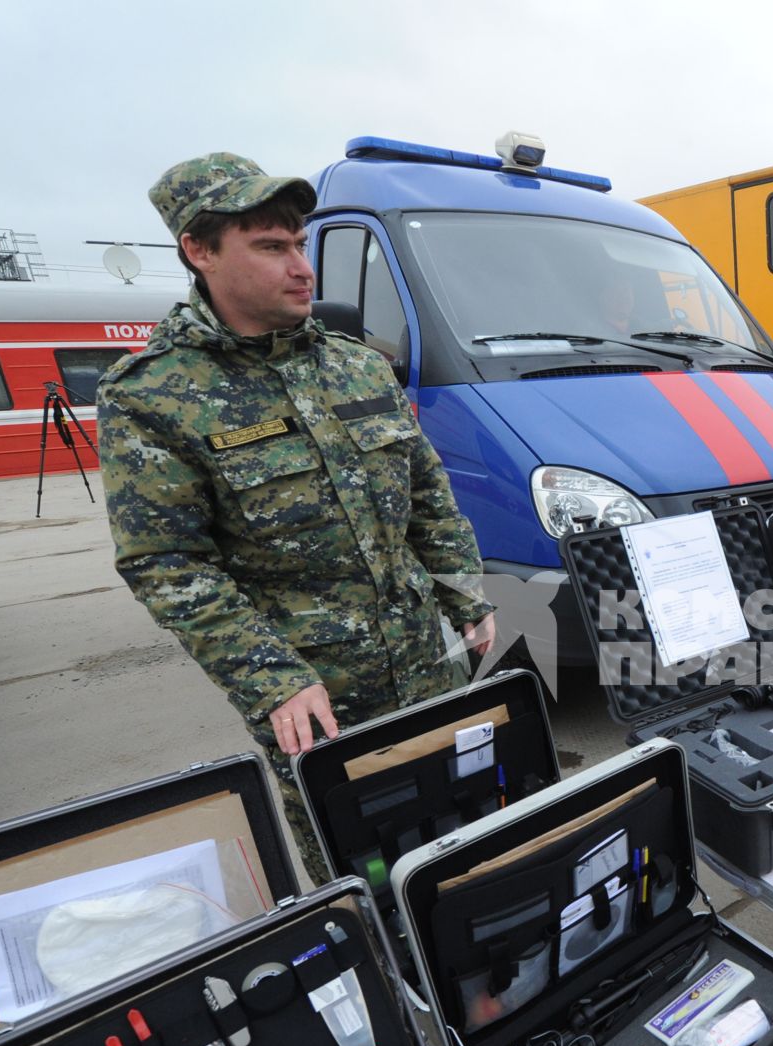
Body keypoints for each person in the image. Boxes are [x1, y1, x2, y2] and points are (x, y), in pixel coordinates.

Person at [98, 153, 496, 881]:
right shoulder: (153, 397)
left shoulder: (357, 366)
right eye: (272, 247)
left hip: (428, 667)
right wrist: (272, 676)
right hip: (318, 696)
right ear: (199, 250)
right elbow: (165, 561)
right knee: (361, 865)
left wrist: (463, 591)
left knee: (463, 829)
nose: (302, 266)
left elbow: (426, 489)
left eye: (301, 243)